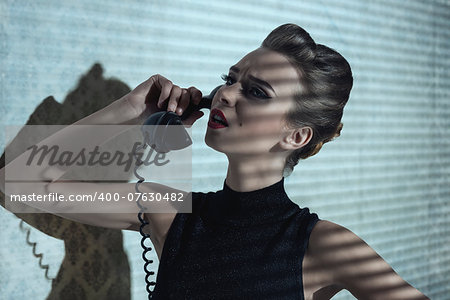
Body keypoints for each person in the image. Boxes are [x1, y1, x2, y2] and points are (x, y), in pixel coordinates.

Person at [0, 23, 429, 299]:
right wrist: (131, 108)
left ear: (296, 136)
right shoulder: (167, 211)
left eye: (256, 92)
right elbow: (16, 183)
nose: (225, 94)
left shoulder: (325, 244)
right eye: (230, 80)